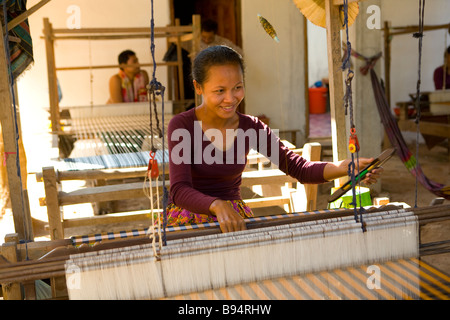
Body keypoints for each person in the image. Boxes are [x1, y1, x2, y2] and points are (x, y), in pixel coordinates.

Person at [165, 45, 383, 234]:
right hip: (189, 219)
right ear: (198, 87)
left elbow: (300, 169)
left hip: (233, 218)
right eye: (220, 91)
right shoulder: (182, 126)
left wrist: (346, 167)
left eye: (238, 88)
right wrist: (216, 205)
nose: (231, 99)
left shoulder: (250, 127)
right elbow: (179, 190)